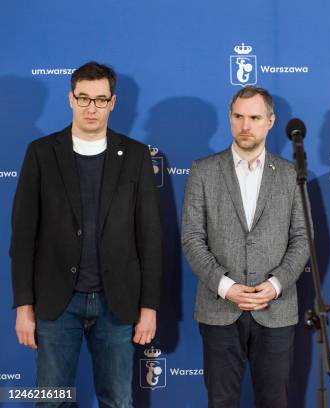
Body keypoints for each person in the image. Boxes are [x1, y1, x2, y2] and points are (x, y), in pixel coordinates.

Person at [10, 61, 162, 407]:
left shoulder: (136, 155)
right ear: (70, 99)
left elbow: (150, 238)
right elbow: (22, 238)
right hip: (55, 304)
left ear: (113, 103)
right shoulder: (41, 153)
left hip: (117, 302)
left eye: (100, 99)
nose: (91, 108)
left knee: (118, 400)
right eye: (83, 98)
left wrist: (149, 307)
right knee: (52, 401)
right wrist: (24, 306)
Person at [181, 86, 309, 408]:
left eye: (254, 117)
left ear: (270, 121)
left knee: (274, 401)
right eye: (238, 116)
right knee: (220, 401)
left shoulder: (292, 174)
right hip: (219, 308)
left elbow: (303, 239)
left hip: (276, 310)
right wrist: (226, 286)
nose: (245, 125)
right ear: (230, 118)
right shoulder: (203, 171)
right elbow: (192, 238)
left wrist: (275, 284)